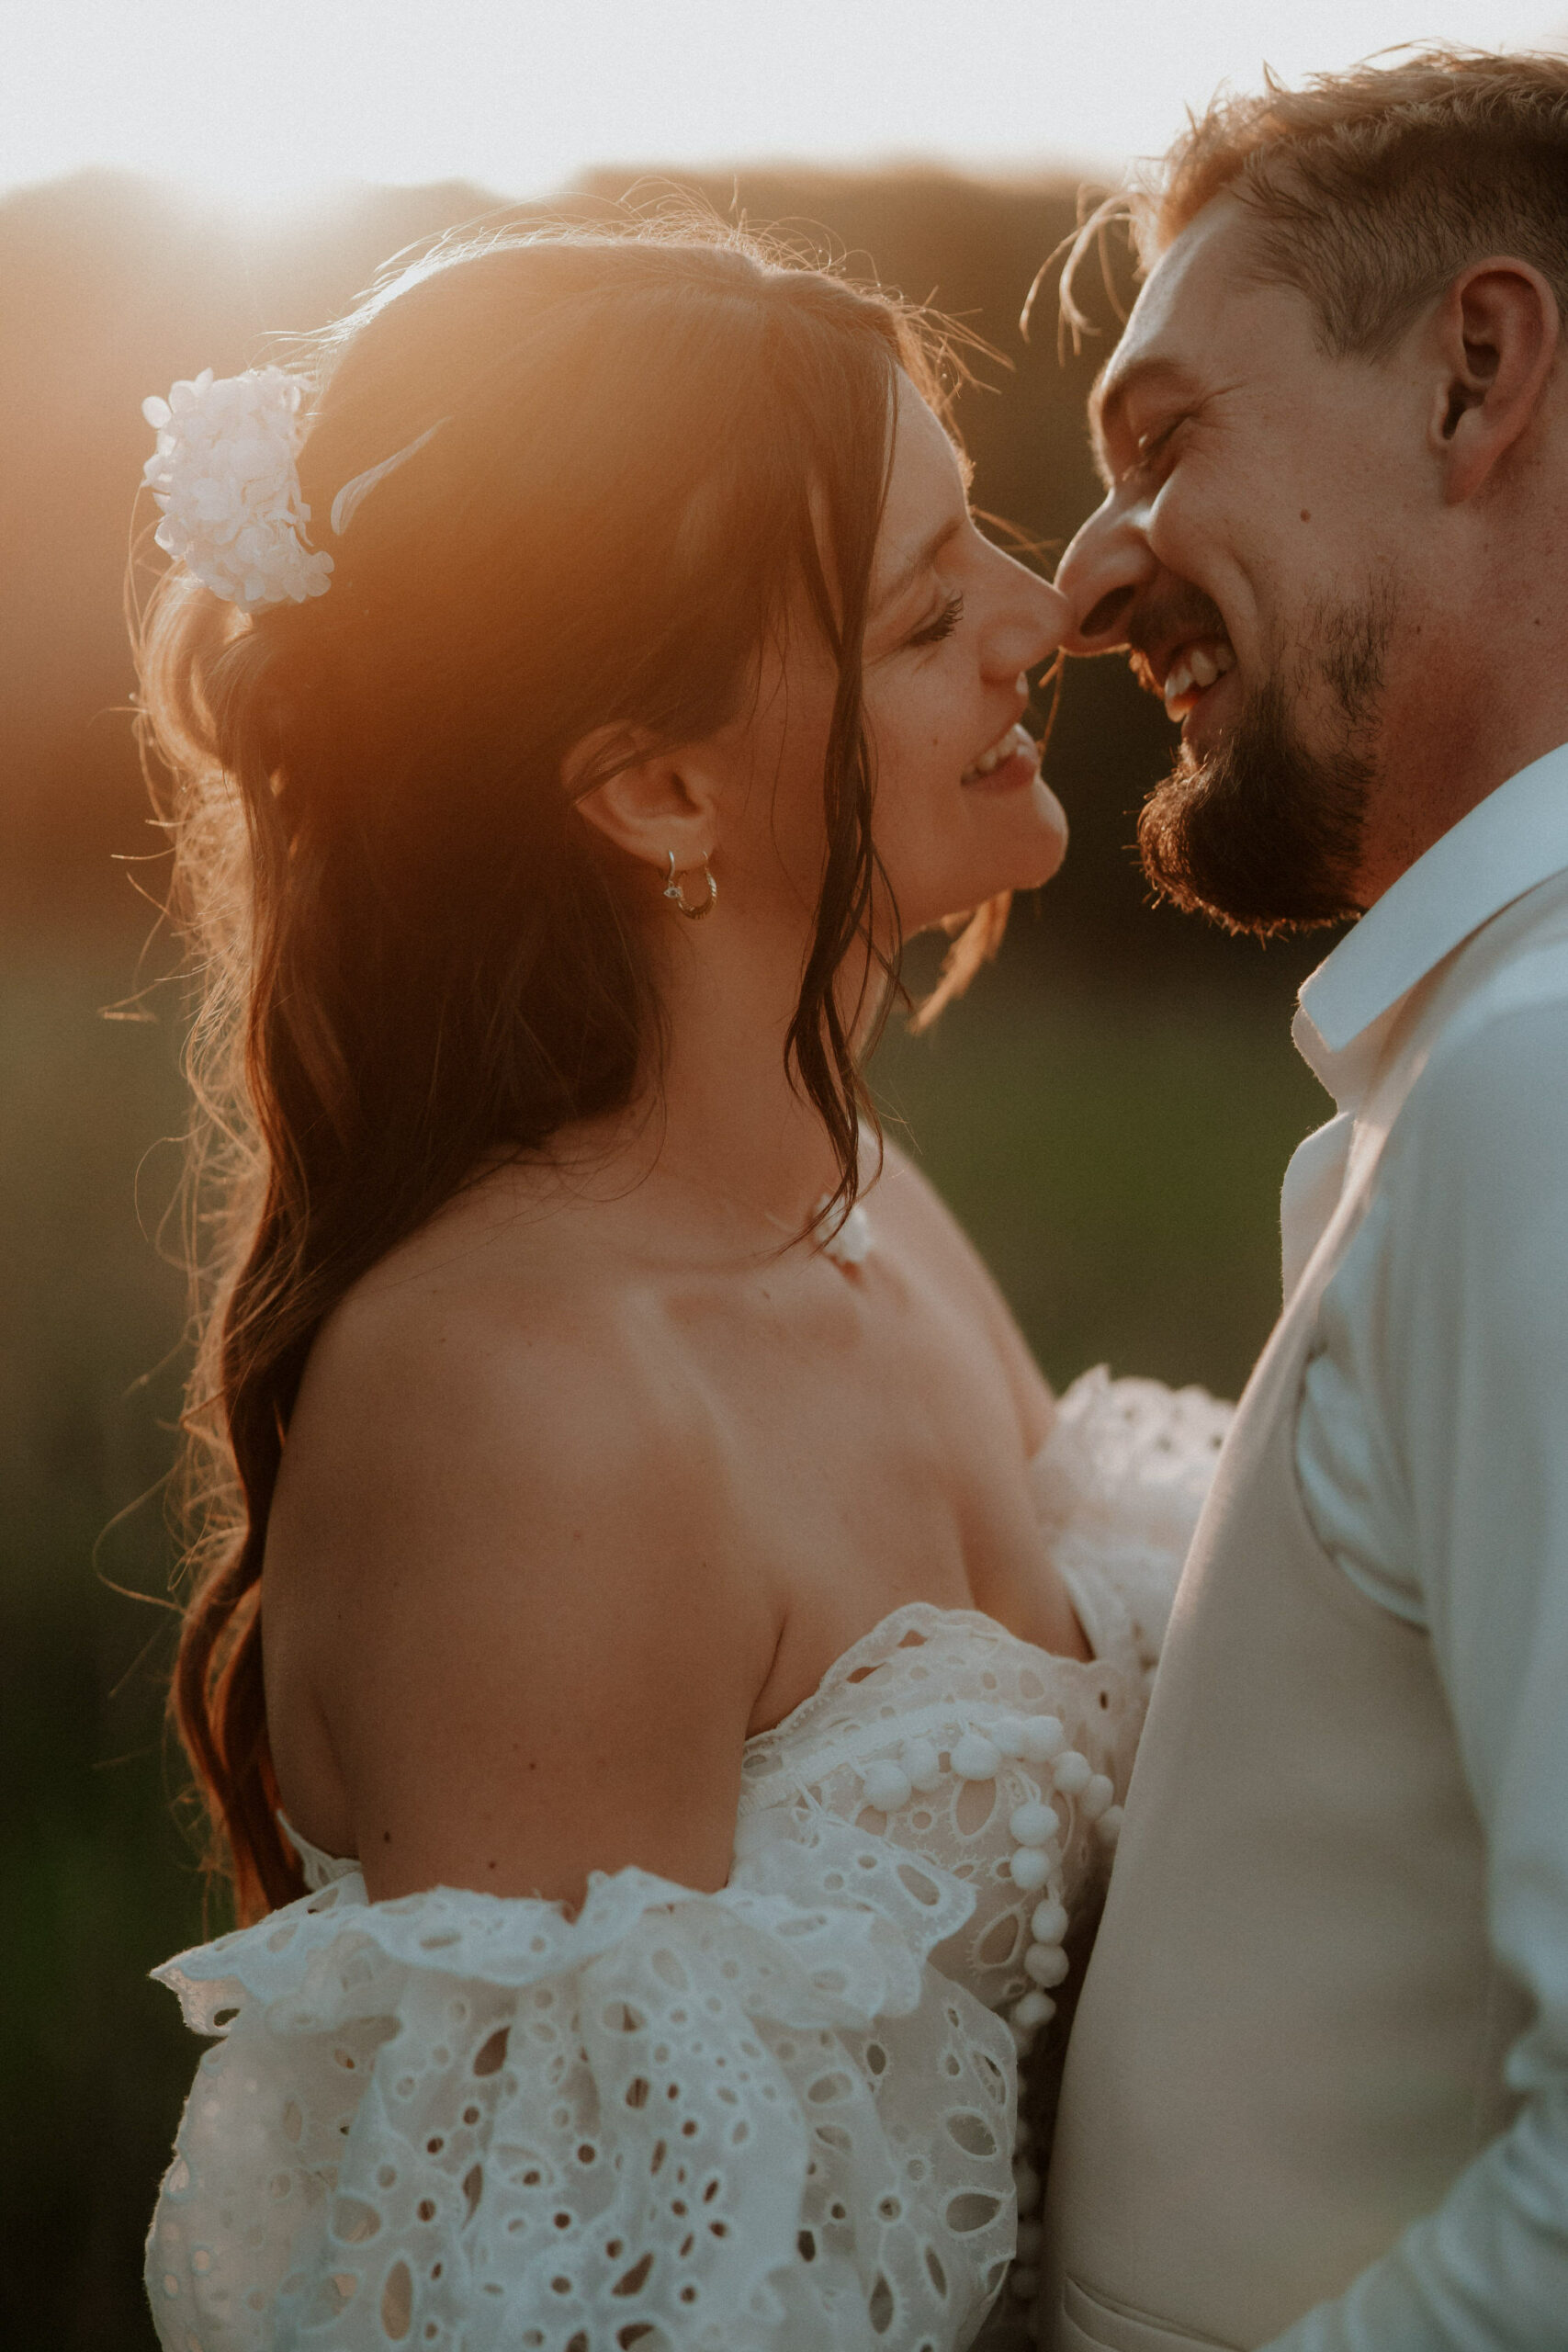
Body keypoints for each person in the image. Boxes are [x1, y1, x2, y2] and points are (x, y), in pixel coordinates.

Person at [135, 225, 1228, 2352]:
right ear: (652, 788)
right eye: (926, 612)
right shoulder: (520, 1400)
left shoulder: (861, 1200)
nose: (1046, 617)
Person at [1043, 48, 1568, 2352]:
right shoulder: (1468, 1067)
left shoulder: (1534, 1089)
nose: (1081, 573)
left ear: (1473, 377)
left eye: (1162, 439)